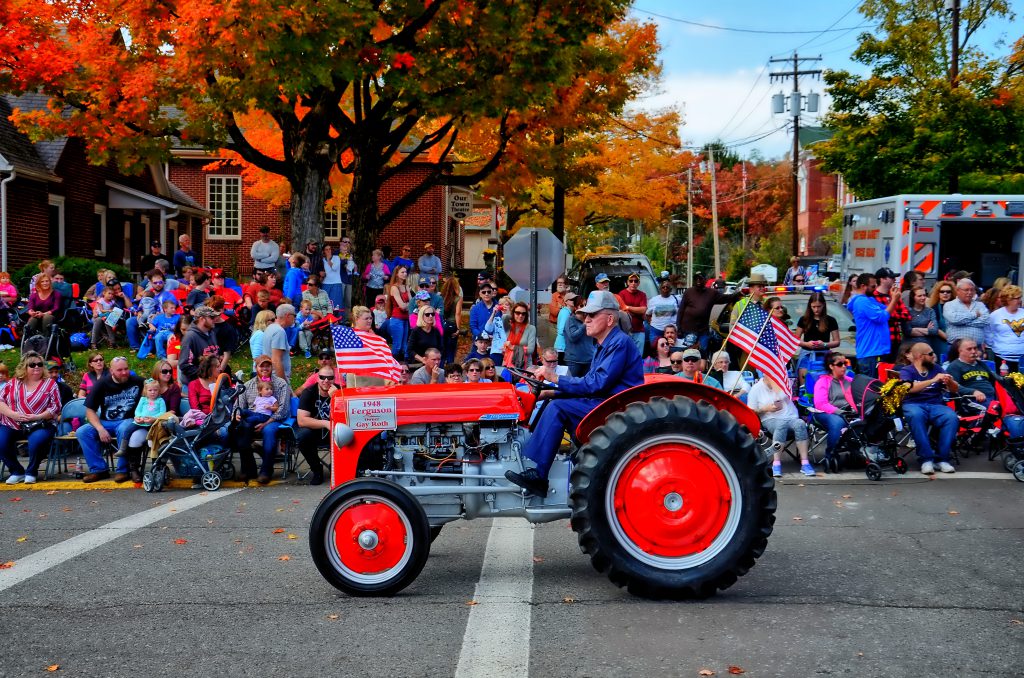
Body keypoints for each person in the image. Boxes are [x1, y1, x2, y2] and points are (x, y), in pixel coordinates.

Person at [504, 291, 643, 496]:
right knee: (551, 402)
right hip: (604, 400)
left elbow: (596, 384)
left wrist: (555, 378)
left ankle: (539, 475)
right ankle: (535, 463)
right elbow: (590, 384)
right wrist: (550, 393)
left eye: (592, 315)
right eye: (586, 314)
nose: (586, 319)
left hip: (614, 407)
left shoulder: (619, 343)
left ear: (610, 319)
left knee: (558, 408)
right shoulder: (604, 344)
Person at [78, 356, 144, 483]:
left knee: (125, 428)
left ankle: (123, 470)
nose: (124, 372)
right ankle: (99, 470)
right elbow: (90, 410)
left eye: (126, 369)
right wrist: (100, 429)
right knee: (83, 432)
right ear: (112, 371)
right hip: (105, 422)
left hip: (128, 420)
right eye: (120, 370)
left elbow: (154, 390)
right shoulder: (102, 384)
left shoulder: (138, 381)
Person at [898, 341, 959, 475]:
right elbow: (909, 388)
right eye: (930, 354)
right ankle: (926, 459)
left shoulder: (936, 368)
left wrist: (950, 382)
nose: (934, 356)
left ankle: (942, 458)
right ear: (920, 356)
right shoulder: (907, 371)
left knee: (951, 417)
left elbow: (955, 390)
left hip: (935, 404)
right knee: (916, 416)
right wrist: (933, 380)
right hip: (913, 404)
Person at [0, 352, 60, 485]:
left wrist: (37, 416)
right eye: (32, 365)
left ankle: (31, 471)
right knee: (1, 441)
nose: (36, 367)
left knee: (36, 441)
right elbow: (0, 401)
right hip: (12, 422)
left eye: (39, 364)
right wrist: (12, 414)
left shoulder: (50, 384)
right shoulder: (13, 383)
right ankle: (16, 471)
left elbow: (56, 407)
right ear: (25, 367)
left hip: (41, 423)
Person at [234, 354, 293, 484]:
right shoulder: (248, 385)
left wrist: (267, 422)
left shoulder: (281, 383)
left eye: (268, 365)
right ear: (256, 367)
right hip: (252, 417)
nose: (265, 368)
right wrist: (237, 414)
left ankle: (266, 470)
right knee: (241, 428)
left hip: (273, 419)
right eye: (262, 366)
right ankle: (248, 468)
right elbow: (238, 406)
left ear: (272, 367)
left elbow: (283, 409)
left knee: (269, 431)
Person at [748, 373, 815, 477]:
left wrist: (776, 385)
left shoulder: (783, 384)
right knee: (781, 424)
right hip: (770, 419)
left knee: (800, 424)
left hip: (791, 417)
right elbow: (750, 411)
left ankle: (805, 463)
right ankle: (776, 464)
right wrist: (765, 409)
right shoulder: (756, 389)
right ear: (765, 375)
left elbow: (783, 396)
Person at [677, 272, 742, 354]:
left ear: (705, 280)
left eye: (700, 278)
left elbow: (725, 298)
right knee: (689, 353)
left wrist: (737, 295)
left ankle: (703, 366)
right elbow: (681, 310)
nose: (698, 281)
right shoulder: (688, 292)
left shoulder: (711, 293)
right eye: (696, 278)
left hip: (703, 330)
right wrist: (678, 327)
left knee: (703, 352)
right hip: (688, 329)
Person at [847, 273, 899, 377]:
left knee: (879, 387)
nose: (875, 289)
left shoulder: (869, 300)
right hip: (870, 352)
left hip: (875, 351)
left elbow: (887, 310)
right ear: (863, 286)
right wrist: (894, 300)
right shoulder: (861, 301)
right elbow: (881, 317)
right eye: (872, 286)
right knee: (872, 388)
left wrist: (891, 297)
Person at [812, 352, 858, 462]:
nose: (844, 366)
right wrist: (839, 412)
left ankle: (859, 452)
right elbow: (820, 404)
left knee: (864, 421)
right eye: (840, 364)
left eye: (845, 363)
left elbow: (858, 399)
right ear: (831, 366)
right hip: (825, 413)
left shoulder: (851, 381)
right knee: (837, 423)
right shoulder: (822, 382)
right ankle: (831, 455)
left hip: (849, 412)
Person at [294, 366, 335, 485]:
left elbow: (347, 415)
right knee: (303, 436)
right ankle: (317, 469)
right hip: (314, 431)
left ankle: (336, 467)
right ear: (317, 378)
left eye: (330, 378)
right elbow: (301, 420)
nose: (326, 381)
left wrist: (336, 397)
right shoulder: (309, 392)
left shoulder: (340, 391)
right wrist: (325, 423)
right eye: (322, 377)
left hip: (335, 432)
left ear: (334, 379)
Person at [795, 292, 840, 377]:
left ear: (823, 305)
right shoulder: (804, 319)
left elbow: (837, 341)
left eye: (819, 307)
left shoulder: (831, 320)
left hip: (824, 354)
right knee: (805, 383)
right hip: (806, 354)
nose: (816, 310)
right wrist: (806, 344)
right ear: (810, 306)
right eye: (813, 307)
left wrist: (824, 344)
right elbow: (795, 340)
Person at [873, 268, 911, 360]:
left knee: (892, 368)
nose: (895, 280)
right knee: (880, 367)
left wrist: (889, 314)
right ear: (882, 279)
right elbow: (880, 317)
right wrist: (891, 314)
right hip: (880, 340)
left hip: (895, 339)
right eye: (891, 278)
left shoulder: (894, 295)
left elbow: (907, 315)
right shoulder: (873, 296)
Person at [178, 305, 221, 387]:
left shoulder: (212, 333)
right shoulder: (190, 337)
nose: (215, 319)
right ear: (201, 319)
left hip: (212, 383)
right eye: (211, 318)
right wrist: (207, 373)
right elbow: (185, 366)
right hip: (195, 386)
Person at [946, 338, 997, 404]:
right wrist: (973, 392)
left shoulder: (981, 364)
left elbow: (993, 380)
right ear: (960, 351)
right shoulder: (954, 366)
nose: (973, 351)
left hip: (993, 398)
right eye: (969, 349)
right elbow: (953, 387)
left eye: (975, 348)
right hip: (972, 400)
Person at [987, 284, 1024, 372]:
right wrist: (997, 345)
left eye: (1020, 297)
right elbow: (988, 332)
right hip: (1002, 357)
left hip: (1022, 357)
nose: (1019, 300)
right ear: (1008, 299)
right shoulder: (995, 315)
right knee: (1005, 383)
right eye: (1017, 298)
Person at [943, 278, 989, 349]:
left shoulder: (980, 305)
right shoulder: (949, 305)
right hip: (956, 347)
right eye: (966, 290)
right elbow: (955, 320)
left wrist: (963, 322)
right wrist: (974, 315)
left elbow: (985, 321)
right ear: (958, 291)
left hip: (977, 348)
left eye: (972, 290)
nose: (970, 292)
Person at [905, 286, 947, 359]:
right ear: (913, 297)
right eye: (919, 296)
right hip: (909, 346)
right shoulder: (907, 311)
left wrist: (915, 329)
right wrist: (926, 329)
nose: (923, 298)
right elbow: (907, 331)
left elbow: (934, 330)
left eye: (924, 295)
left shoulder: (930, 311)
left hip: (926, 347)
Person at [563, 293, 595, 377]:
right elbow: (573, 337)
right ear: (576, 307)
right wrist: (584, 325)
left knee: (586, 388)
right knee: (571, 387)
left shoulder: (590, 320)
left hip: (589, 360)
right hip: (574, 362)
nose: (584, 307)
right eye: (581, 305)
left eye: (586, 305)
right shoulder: (570, 320)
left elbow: (595, 338)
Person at [263, 303, 296, 382]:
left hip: (269, 376)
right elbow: (276, 360)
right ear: (287, 315)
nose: (295, 318)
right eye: (294, 316)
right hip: (276, 379)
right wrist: (283, 382)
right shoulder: (279, 331)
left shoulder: (270, 328)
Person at [386, 264, 411, 361]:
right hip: (396, 319)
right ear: (397, 274)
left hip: (405, 319)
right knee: (397, 345)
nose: (405, 274)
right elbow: (402, 306)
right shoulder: (394, 288)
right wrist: (408, 304)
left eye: (406, 272)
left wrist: (408, 292)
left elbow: (412, 303)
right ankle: (392, 364)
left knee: (404, 344)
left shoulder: (406, 287)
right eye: (402, 272)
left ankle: (403, 367)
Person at [618, 273, 648, 354]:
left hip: (639, 330)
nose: (633, 283)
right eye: (631, 281)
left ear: (638, 283)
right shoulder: (622, 294)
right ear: (627, 282)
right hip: (625, 331)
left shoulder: (642, 295)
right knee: (626, 356)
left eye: (636, 281)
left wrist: (627, 307)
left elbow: (643, 310)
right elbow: (621, 312)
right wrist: (636, 311)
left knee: (638, 356)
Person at [408, 301, 443, 368]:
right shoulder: (416, 331)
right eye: (427, 314)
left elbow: (441, 349)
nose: (430, 316)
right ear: (422, 316)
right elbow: (410, 350)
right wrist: (423, 360)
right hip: (418, 364)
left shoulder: (436, 331)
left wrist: (435, 360)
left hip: (434, 364)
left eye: (432, 314)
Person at [645, 279, 680, 346]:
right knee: (655, 349)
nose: (665, 288)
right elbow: (648, 314)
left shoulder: (677, 299)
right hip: (656, 330)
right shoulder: (653, 300)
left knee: (670, 349)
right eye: (663, 287)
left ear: (671, 289)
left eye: (667, 287)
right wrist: (651, 322)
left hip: (671, 331)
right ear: (660, 289)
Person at [502, 302, 537, 369]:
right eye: (518, 313)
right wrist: (510, 311)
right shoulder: (509, 327)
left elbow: (530, 350)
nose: (521, 316)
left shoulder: (531, 328)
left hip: (524, 365)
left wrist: (512, 347)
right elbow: (504, 317)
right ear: (513, 313)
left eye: (523, 314)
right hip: (508, 362)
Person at [26, 273, 61, 338]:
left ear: (50, 282)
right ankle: (28, 340)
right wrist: (32, 313)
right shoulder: (33, 295)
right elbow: (30, 308)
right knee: (32, 319)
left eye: (47, 281)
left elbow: (56, 308)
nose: (45, 283)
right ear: (39, 283)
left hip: (52, 316)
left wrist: (43, 314)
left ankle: (46, 339)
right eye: (42, 281)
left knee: (47, 317)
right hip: (37, 316)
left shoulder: (56, 294)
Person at [440, 274, 463, 365]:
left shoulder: (441, 297)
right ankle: (451, 371)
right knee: (451, 350)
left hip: (442, 324)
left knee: (443, 350)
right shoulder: (458, 298)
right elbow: (457, 314)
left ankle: (441, 370)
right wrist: (458, 328)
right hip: (452, 324)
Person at [320, 242, 344, 312]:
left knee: (336, 304)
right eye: (326, 249)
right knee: (326, 303)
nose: (328, 251)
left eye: (329, 249)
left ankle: (337, 320)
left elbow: (334, 268)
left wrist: (328, 259)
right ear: (323, 251)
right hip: (325, 283)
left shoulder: (336, 258)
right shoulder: (322, 260)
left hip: (336, 283)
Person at [337, 237, 358, 311]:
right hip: (340, 280)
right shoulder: (337, 253)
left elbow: (352, 265)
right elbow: (339, 264)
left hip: (349, 280)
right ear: (340, 243)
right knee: (340, 301)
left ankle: (346, 320)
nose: (347, 244)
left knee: (348, 302)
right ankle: (340, 319)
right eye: (345, 242)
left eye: (348, 242)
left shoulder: (349, 254)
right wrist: (344, 263)